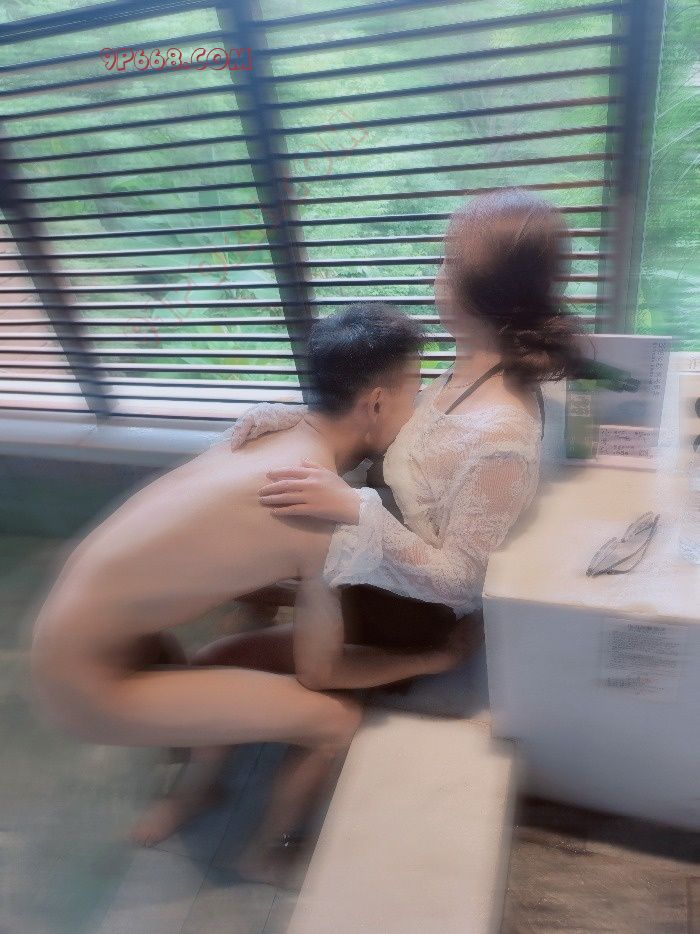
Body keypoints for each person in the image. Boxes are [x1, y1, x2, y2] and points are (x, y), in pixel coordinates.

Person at [30, 303, 463, 883]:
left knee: (228, 660)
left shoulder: (269, 433)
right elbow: (323, 672)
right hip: (87, 689)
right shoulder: (311, 505)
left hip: (81, 639)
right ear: (377, 403)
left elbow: (238, 572)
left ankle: (194, 791)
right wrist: (436, 659)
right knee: (335, 720)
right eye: (415, 390)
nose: (421, 406)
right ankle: (267, 852)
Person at [222, 188, 585, 630]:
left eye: (447, 262)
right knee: (244, 551)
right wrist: (299, 417)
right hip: (379, 552)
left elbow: (460, 584)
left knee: (234, 626)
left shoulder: (501, 437)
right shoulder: (469, 370)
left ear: (478, 294)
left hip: (410, 612)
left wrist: (353, 507)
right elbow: (410, 428)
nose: (437, 274)